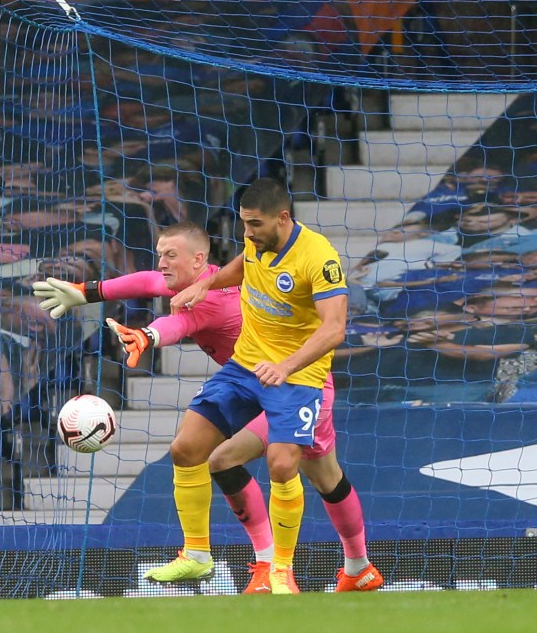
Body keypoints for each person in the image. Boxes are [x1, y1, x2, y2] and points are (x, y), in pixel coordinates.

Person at [33, 221, 382, 594]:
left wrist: (147, 336)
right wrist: (83, 292)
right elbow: (144, 281)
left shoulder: (211, 299)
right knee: (208, 455)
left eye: (171, 255)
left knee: (321, 475)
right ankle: (247, 562)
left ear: (199, 259)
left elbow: (179, 323)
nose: (162, 263)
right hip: (250, 384)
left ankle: (350, 566)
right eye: (160, 254)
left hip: (300, 386)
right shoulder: (191, 280)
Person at [167, 178, 349, 593]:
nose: (247, 233)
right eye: (244, 224)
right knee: (186, 448)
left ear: (283, 218)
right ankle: (195, 555)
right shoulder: (257, 242)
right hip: (246, 365)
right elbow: (244, 264)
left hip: (298, 375)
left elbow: (335, 328)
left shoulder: (318, 258)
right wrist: (206, 283)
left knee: (284, 465)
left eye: (255, 224)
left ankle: (281, 572)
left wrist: (286, 365)